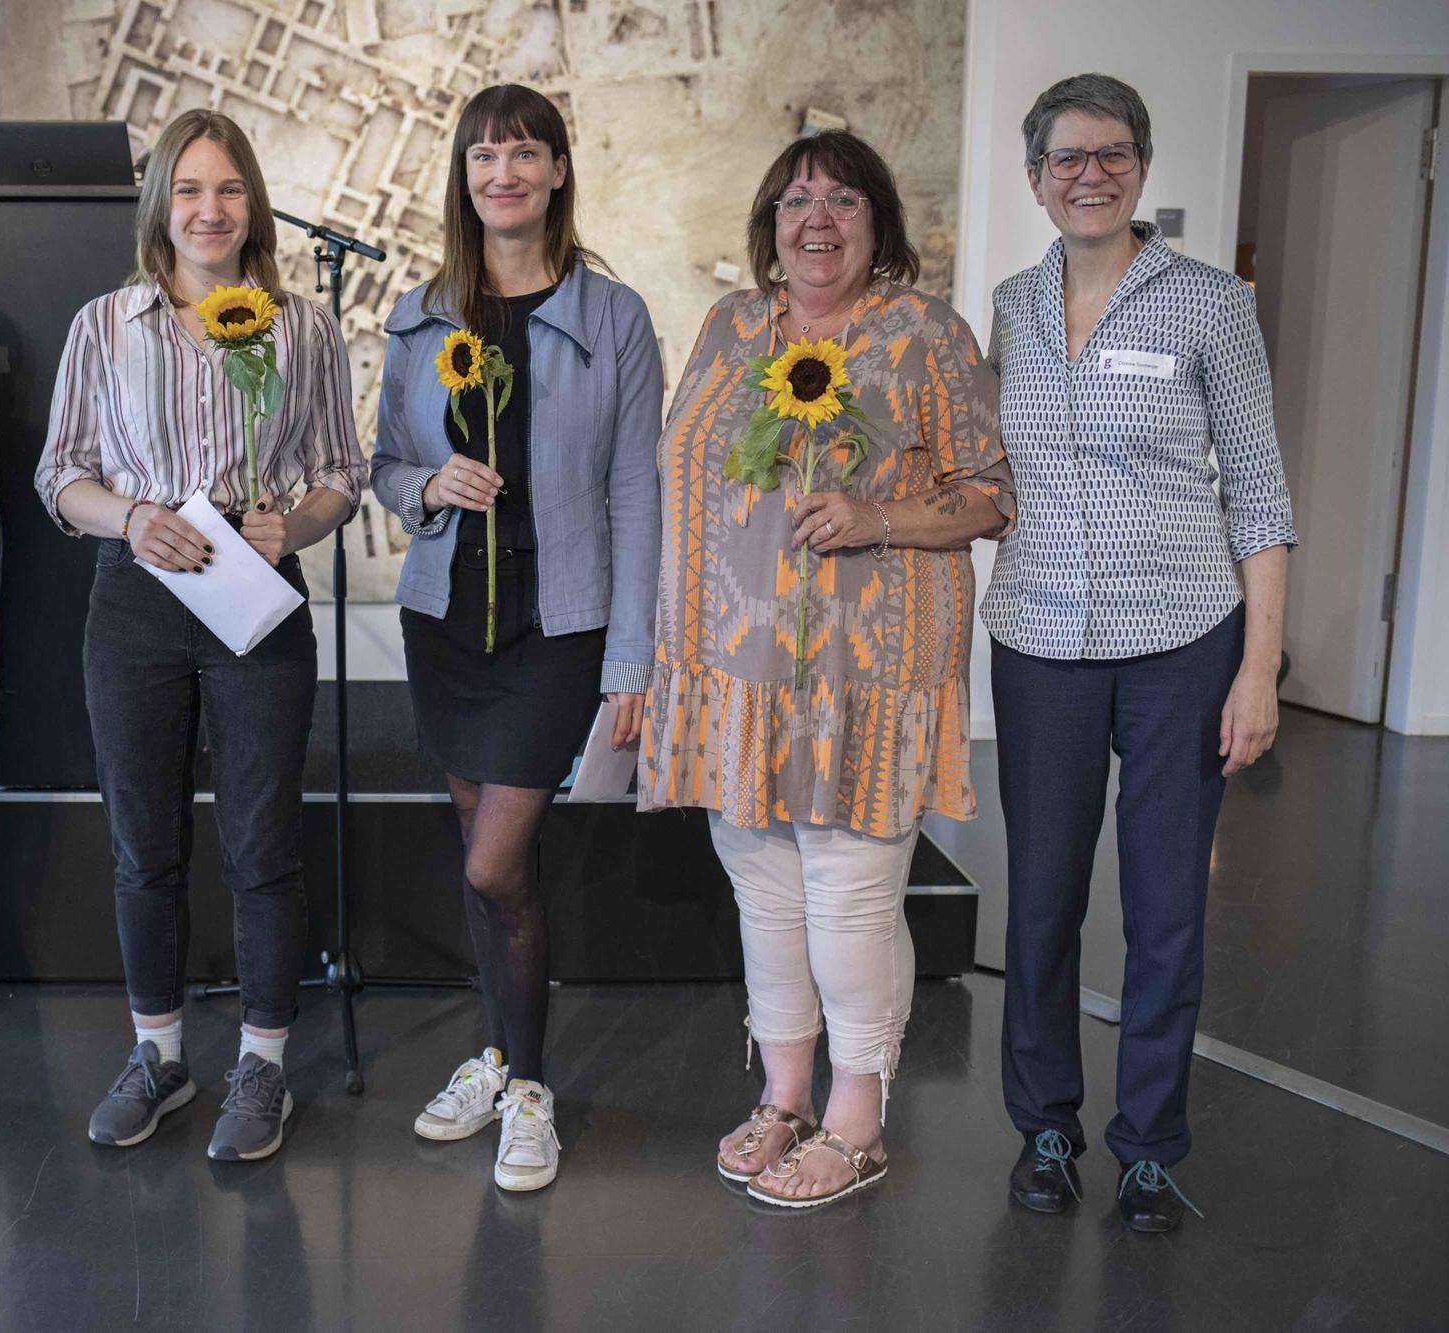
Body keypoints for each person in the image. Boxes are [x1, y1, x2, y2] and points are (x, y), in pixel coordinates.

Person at [638, 131, 1014, 1210]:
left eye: (842, 202)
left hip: (870, 674)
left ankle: (857, 1115)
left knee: (848, 899)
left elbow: (989, 492)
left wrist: (876, 515)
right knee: (763, 893)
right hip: (734, 676)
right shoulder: (728, 326)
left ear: (876, 222)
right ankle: (784, 1092)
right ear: (767, 224)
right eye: (795, 200)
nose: (815, 220)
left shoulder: (924, 335)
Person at [985, 73, 1294, 1233]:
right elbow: (987, 468)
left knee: (1164, 909)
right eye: (1066, 158)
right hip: (1037, 637)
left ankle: (1150, 1145)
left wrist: (1256, 667)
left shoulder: (1211, 304)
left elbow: (1259, 494)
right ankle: (1047, 1129)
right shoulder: (1010, 306)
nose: (1089, 175)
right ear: (1035, 179)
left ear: (1141, 169)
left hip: (1180, 642)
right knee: (1040, 904)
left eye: (1111, 154)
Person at [35, 109, 366, 1163]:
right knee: (144, 846)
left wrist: (295, 522)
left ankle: (260, 1066)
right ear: (158, 206)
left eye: (226, 190)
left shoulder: (300, 327)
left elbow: (340, 476)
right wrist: (130, 517)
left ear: (251, 204)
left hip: (253, 600)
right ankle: (160, 1057)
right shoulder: (105, 323)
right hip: (133, 600)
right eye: (187, 189)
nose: (208, 209)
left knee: (260, 846)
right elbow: (60, 475)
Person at [370, 83, 663, 1192]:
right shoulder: (419, 312)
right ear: (463, 175)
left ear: (553, 172)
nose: (503, 172)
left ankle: (526, 1085)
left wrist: (633, 658)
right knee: (485, 864)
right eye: (483, 154)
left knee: (495, 862)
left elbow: (638, 493)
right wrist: (424, 482)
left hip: (558, 621)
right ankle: (502, 1058)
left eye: (524, 152)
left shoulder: (612, 315)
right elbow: (383, 465)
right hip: (447, 620)